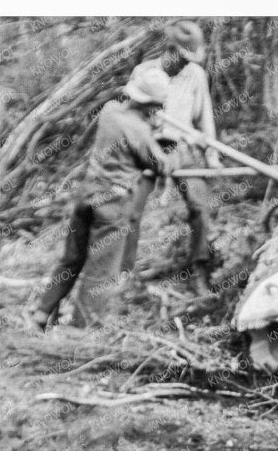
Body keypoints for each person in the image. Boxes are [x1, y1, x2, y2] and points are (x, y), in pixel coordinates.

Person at [30, 62, 171, 331]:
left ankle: (41, 312)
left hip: (87, 195)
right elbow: (159, 165)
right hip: (113, 204)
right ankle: (79, 330)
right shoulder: (139, 130)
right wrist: (159, 140)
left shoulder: (110, 111)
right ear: (152, 104)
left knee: (72, 259)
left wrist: (148, 123)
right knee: (101, 272)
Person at [122, 20, 217, 296]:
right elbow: (131, 118)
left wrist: (211, 152)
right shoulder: (144, 72)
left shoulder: (196, 75)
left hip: (183, 148)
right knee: (131, 210)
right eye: (182, 57)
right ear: (170, 49)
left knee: (201, 206)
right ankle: (125, 275)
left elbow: (205, 117)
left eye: (190, 58)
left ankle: (198, 269)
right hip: (148, 148)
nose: (184, 63)